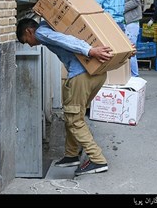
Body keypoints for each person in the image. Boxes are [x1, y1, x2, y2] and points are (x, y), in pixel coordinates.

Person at [16, 17, 113, 176]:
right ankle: (71, 155)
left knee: (74, 119)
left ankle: (97, 159)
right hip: (97, 73)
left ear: (29, 31)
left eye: (26, 41)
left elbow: (65, 39)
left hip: (82, 75)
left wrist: (90, 51)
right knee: (74, 114)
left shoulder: (41, 33)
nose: (30, 45)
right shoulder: (50, 24)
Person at [112, 0, 142, 77]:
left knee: (131, 51)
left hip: (131, 22)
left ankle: (135, 76)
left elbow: (135, 1)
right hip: (121, 22)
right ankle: (125, 76)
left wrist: (119, 8)